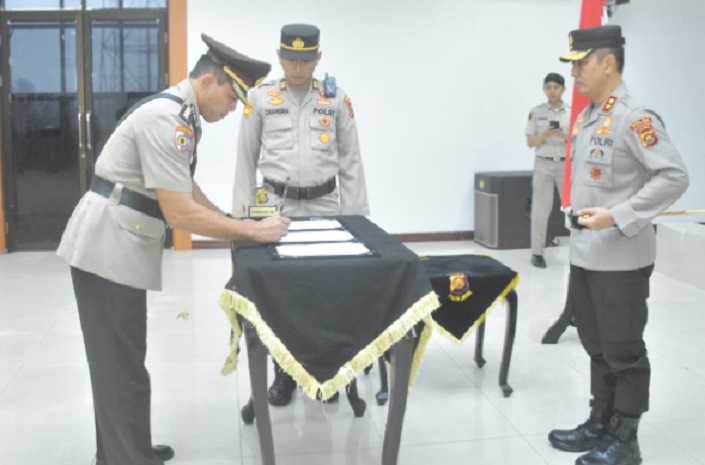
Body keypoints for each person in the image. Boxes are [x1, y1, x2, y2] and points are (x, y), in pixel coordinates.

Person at [57, 34, 290, 465]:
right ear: (207, 81)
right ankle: (126, 458)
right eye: (232, 96)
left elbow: (185, 186)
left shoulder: (182, 115)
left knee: (124, 363)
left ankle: (126, 450)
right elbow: (180, 213)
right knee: (119, 368)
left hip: (118, 247)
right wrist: (252, 233)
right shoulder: (169, 121)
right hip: (105, 250)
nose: (234, 108)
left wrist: (236, 225)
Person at [548, 25, 689, 465]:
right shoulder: (590, 115)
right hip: (587, 255)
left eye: (581, 64)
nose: (574, 74)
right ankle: (600, 422)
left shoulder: (636, 116)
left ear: (608, 62)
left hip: (622, 258)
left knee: (623, 351)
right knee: (596, 344)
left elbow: (674, 177)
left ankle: (626, 441)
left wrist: (620, 215)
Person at [232, 24, 370, 407]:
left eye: (306, 60)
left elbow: (351, 162)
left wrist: (357, 221)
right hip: (276, 209)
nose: (297, 67)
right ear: (279, 57)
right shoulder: (261, 98)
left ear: (318, 58)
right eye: (290, 59)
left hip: (326, 207)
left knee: (326, 293)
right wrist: (242, 224)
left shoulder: (335, 99)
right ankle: (284, 374)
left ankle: (326, 373)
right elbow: (245, 162)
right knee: (281, 295)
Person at [525, 72, 570, 268]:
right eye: (549, 87)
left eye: (556, 87)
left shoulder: (573, 112)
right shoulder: (536, 112)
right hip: (543, 164)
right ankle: (537, 253)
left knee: (573, 208)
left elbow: (579, 142)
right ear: (544, 89)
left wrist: (564, 137)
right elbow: (530, 142)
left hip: (565, 164)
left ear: (563, 89)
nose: (552, 91)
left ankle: (580, 252)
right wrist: (545, 134)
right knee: (540, 210)